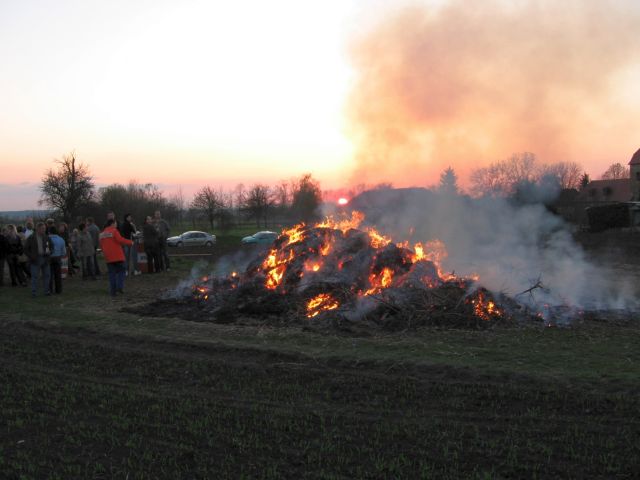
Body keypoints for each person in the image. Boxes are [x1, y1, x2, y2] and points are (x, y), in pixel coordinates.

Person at [99, 218, 132, 296]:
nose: (116, 225)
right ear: (112, 224)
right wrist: (130, 242)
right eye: (116, 223)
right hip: (117, 256)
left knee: (112, 274)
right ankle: (119, 287)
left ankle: (113, 291)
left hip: (108, 257)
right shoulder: (114, 231)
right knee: (122, 271)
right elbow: (120, 240)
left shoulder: (101, 234)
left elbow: (101, 245)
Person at [24, 222, 53, 297]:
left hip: (45, 258)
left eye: (44, 229)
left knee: (47, 275)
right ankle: (34, 292)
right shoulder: (31, 237)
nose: (44, 230)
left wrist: (50, 252)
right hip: (35, 259)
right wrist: (31, 256)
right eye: (43, 229)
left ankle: (47, 291)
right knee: (35, 276)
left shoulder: (46, 237)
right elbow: (26, 249)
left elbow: (52, 246)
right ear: (38, 229)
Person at [48, 226, 66, 294]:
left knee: (49, 275)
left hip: (49, 258)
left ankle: (49, 289)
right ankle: (59, 290)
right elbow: (64, 252)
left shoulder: (47, 239)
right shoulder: (61, 239)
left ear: (49, 232)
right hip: (58, 258)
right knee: (58, 275)